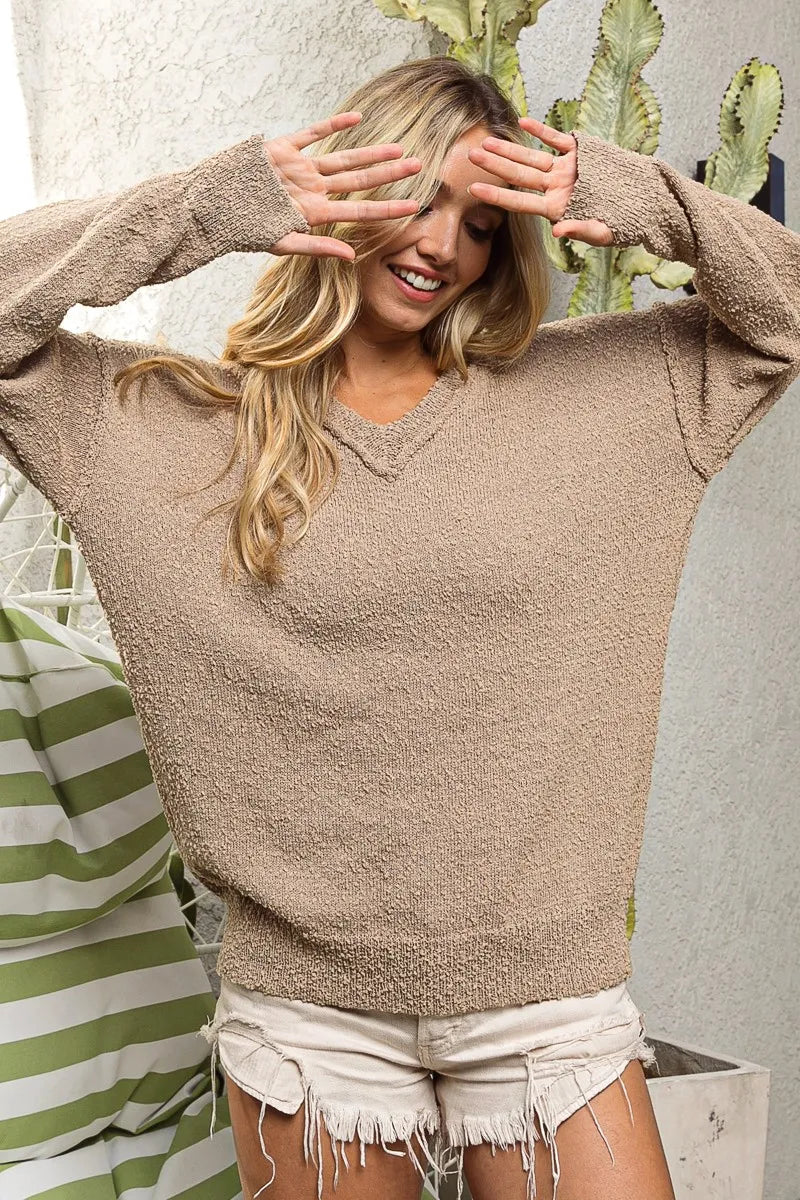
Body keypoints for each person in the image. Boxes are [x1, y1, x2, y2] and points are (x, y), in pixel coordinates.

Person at [1, 52, 798, 1200]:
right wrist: (207, 208)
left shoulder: (605, 397)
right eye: (417, 197)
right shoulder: (164, 427)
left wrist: (633, 199)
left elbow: (780, 319)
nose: (441, 246)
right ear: (340, 190)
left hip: (546, 1004)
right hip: (307, 1018)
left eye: (479, 223)